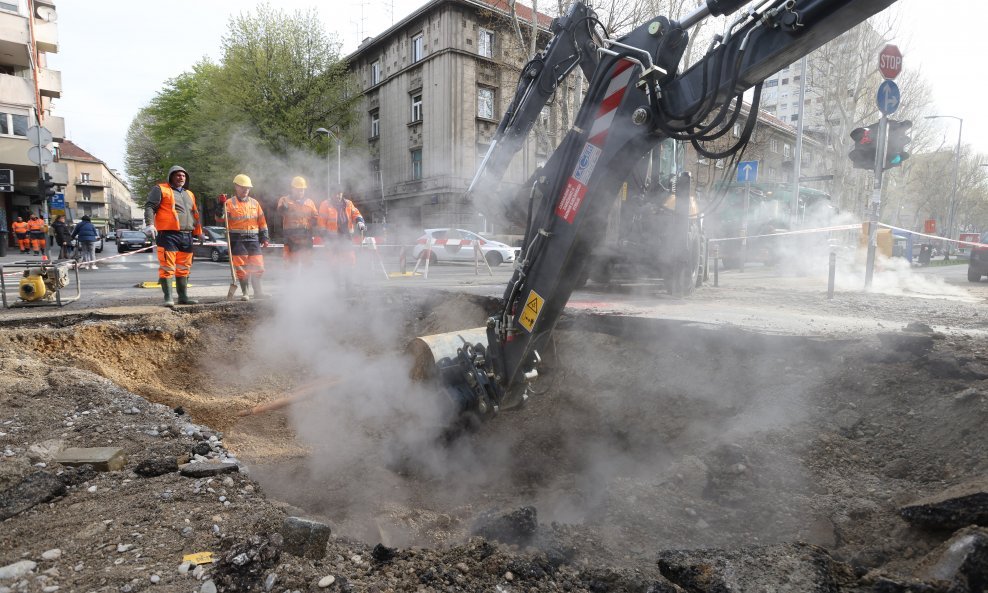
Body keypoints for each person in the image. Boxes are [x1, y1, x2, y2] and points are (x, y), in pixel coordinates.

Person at [144, 165, 204, 306]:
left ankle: (183, 297)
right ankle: (168, 298)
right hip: (168, 235)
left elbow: (194, 214)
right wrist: (150, 224)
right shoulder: (160, 189)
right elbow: (150, 206)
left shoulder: (189, 194)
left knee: (184, 268)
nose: (181, 177)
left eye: (183, 175)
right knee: (167, 267)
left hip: (186, 236)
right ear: (171, 176)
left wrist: (198, 232)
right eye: (177, 175)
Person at [225, 174, 269, 300]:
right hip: (237, 239)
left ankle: (258, 292)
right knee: (242, 268)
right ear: (236, 187)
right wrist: (219, 207)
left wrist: (265, 237)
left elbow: (262, 221)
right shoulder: (229, 203)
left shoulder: (255, 203)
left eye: (248, 188)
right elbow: (220, 219)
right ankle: (245, 293)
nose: (245, 190)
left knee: (258, 266)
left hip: (253, 239)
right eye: (243, 187)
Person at [276, 176, 319, 266]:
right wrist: (284, 207)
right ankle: (291, 279)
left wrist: (315, 224)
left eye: (302, 190)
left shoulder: (309, 202)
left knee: (307, 263)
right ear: (292, 189)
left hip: (306, 236)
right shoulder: (285, 200)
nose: (300, 192)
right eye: (298, 189)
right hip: (291, 236)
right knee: (291, 263)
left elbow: (316, 217)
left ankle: (306, 279)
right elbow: (280, 211)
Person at [318, 191, 366, 268]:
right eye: (335, 193)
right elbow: (321, 222)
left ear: (342, 193)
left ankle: (349, 276)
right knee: (333, 261)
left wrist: (360, 222)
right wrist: (325, 236)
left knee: (350, 258)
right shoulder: (325, 204)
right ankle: (336, 277)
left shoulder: (348, 203)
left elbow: (356, 213)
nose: (337, 196)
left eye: (339, 193)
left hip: (346, 236)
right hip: (331, 238)